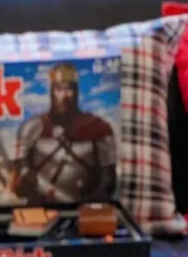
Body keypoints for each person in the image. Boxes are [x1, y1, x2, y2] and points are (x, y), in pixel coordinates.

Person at [10, 61, 118, 204]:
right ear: (52, 92)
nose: (64, 95)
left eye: (69, 89)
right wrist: (33, 184)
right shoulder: (32, 127)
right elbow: (21, 165)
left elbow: (108, 177)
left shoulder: (98, 127)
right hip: (41, 205)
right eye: (59, 90)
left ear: (76, 92)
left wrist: (92, 204)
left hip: (83, 206)